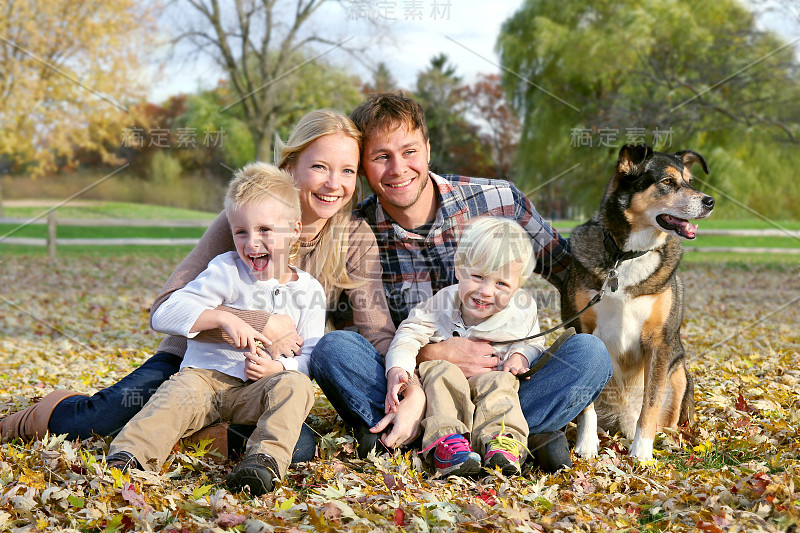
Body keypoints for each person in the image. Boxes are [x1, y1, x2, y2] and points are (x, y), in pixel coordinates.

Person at [0, 109, 405, 462]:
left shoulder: (353, 237)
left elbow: (375, 330)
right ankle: (44, 414)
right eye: (319, 166)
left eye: (348, 171)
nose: (334, 182)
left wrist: (406, 381)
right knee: (99, 420)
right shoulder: (243, 223)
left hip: (263, 378)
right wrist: (261, 322)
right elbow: (167, 303)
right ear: (290, 168)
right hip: (192, 362)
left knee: (298, 447)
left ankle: (180, 434)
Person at [310, 92, 614, 472]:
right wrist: (431, 356)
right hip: (415, 389)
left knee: (590, 354)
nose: (398, 169)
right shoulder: (355, 232)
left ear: (428, 149)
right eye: (381, 157)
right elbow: (367, 337)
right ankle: (514, 436)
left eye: (409, 152)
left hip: (506, 387)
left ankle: (447, 438)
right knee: (335, 349)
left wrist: (636, 231)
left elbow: (571, 270)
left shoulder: (498, 200)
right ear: (364, 167)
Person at [105, 163, 324, 496]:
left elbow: (311, 356)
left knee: (296, 388)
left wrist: (279, 368)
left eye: (265, 230)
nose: (252, 243)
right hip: (204, 380)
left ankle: (262, 462)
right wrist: (224, 318)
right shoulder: (225, 270)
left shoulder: (309, 291)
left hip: (258, 390)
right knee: (175, 394)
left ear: (295, 230)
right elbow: (165, 313)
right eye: (241, 232)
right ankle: (130, 456)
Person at [385, 216, 544, 476]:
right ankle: (446, 442)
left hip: (490, 380)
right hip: (446, 386)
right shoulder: (441, 303)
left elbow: (533, 341)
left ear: (517, 287)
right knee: (440, 371)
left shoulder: (522, 310)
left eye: (501, 283)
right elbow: (408, 333)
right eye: (478, 277)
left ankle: (502, 442)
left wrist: (520, 356)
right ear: (459, 269)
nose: (486, 291)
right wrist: (398, 369)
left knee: (501, 384)